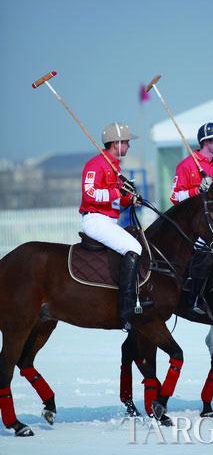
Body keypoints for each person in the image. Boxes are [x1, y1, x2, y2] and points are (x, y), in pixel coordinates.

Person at [170, 122, 213, 314]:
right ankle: (195, 299)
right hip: (195, 222)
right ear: (206, 141)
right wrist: (196, 191)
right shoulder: (186, 165)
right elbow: (175, 197)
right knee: (207, 252)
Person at [79, 122, 142, 331]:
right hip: (94, 220)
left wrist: (128, 200)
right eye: (126, 142)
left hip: (108, 219)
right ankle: (126, 312)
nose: (129, 146)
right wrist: (118, 192)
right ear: (116, 143)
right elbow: (89, 194)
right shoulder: (95, 165)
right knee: (135, 248)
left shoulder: (116, 167)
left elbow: (114, 203)